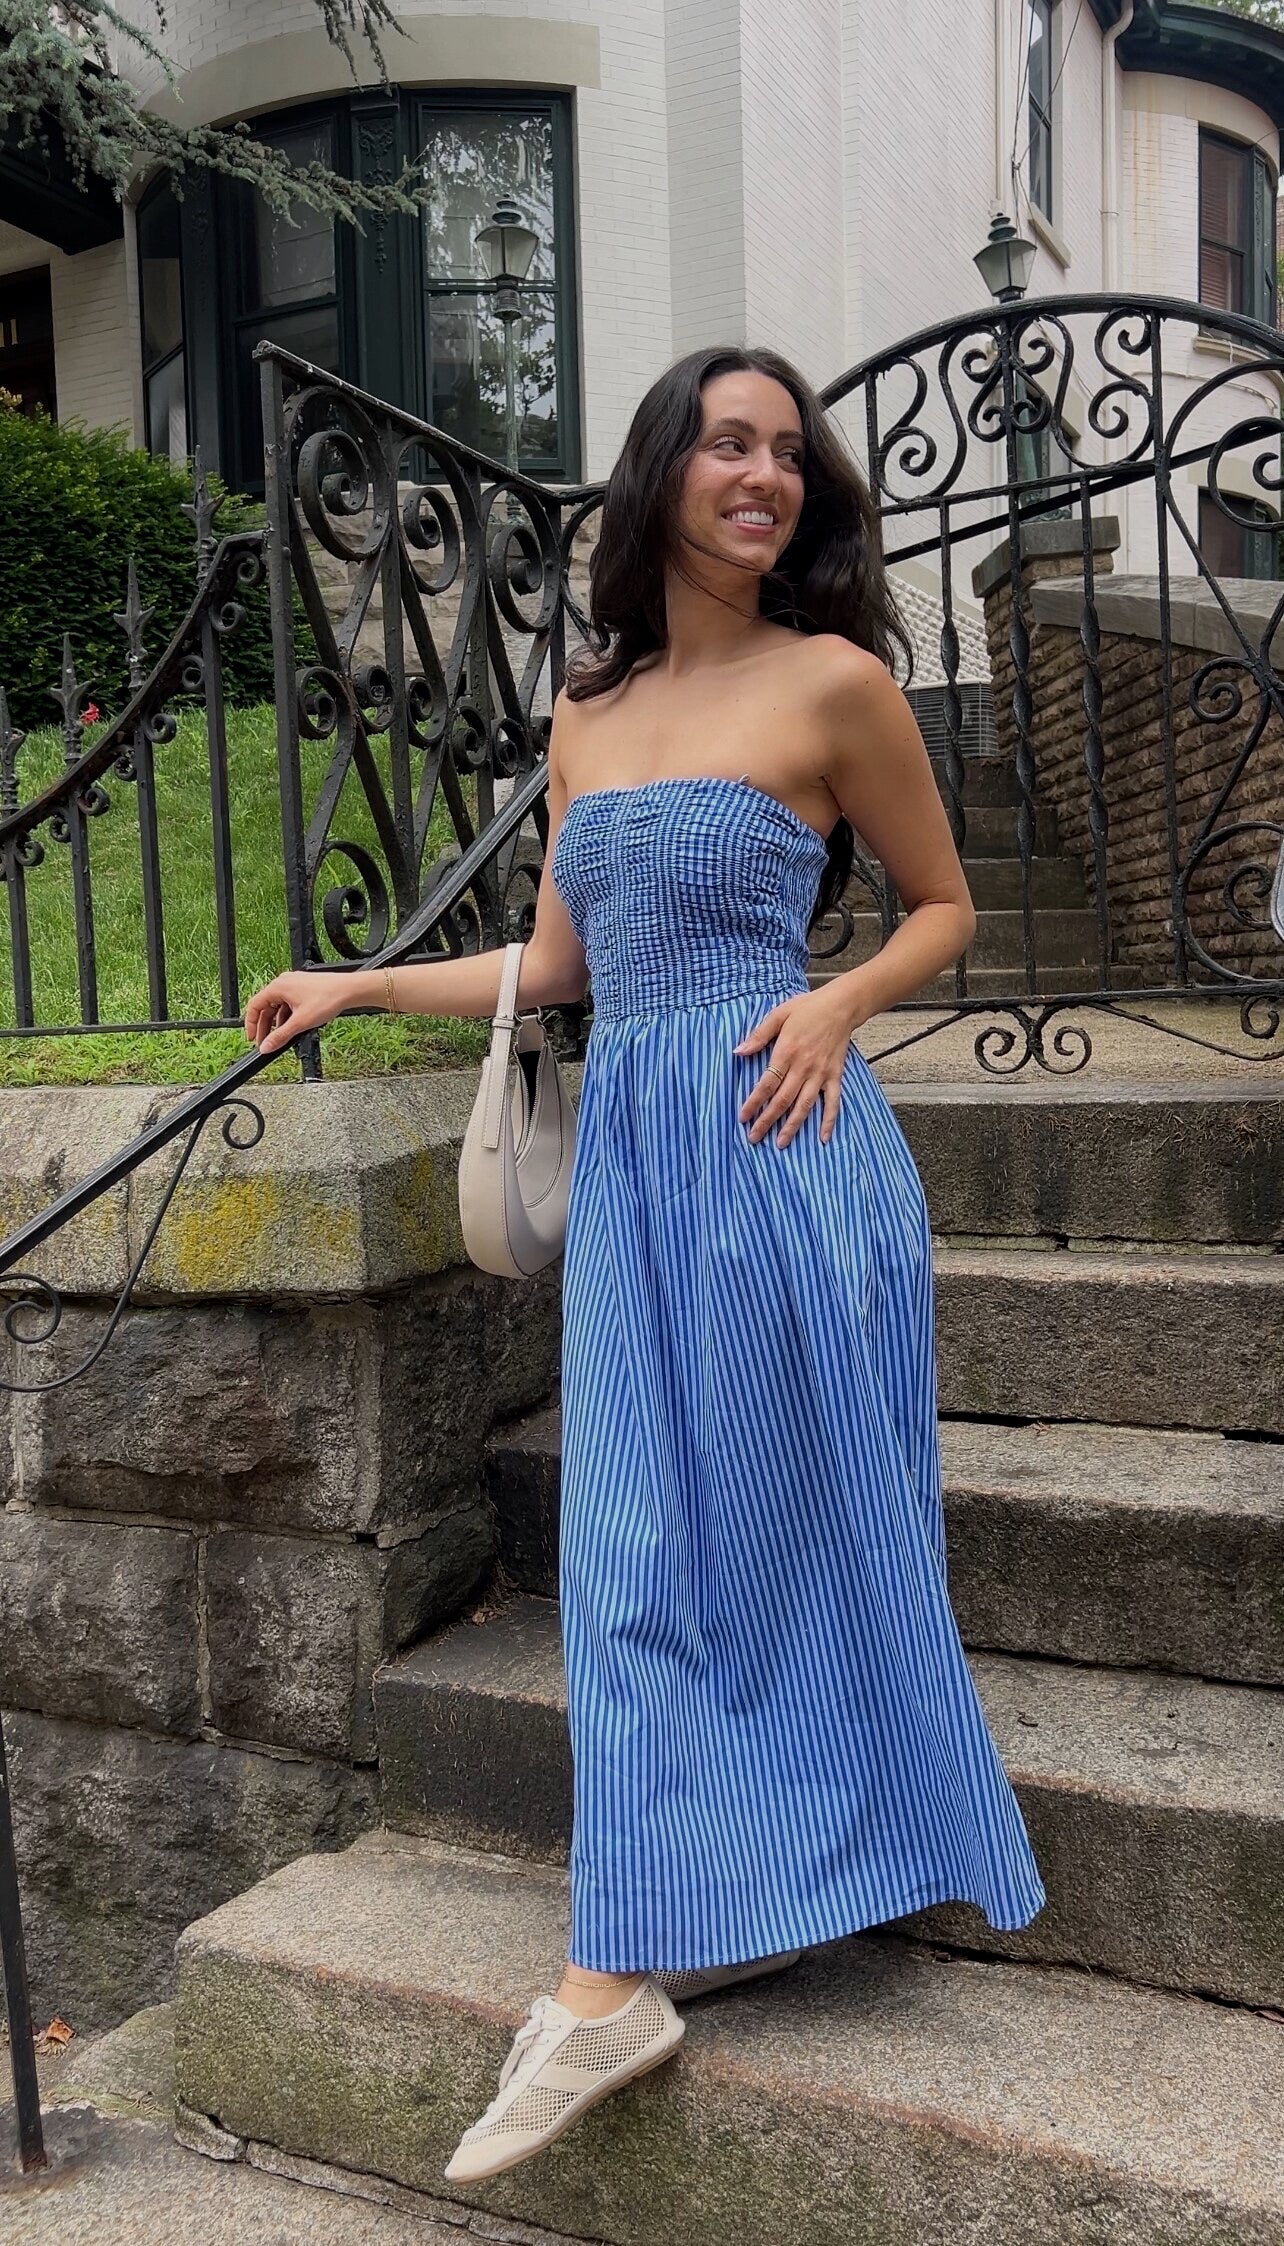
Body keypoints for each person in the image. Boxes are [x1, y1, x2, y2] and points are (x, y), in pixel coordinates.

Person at [244, 343, 1048, 2189]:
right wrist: (357, 984)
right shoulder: (588, 709)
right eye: (729, 443)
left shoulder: (837, 683)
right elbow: (559, 965)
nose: (765, 475)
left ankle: (619, 1971)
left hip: (784, 1152)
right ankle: (657, 1932)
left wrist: (837, 1002)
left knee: (767, 1535)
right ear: (663, 469)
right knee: (627, 1549)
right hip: (635, 1176)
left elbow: (946, 905)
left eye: (789, 453)